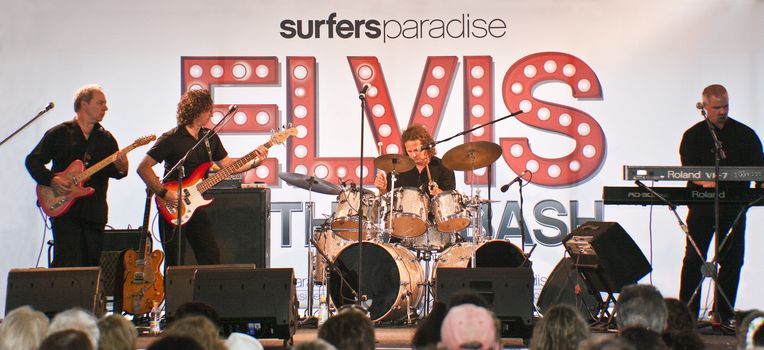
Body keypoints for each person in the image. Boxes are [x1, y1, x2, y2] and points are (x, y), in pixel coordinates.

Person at [137, 89, 268, 266]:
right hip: (172, 205)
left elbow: (227, 165)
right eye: (208, 110)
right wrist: (163, 193)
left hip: (196, 205)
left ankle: (207, 292)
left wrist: (254, 162)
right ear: (197, 110)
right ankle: (175, 294)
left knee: (210, 255)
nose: (211, 114)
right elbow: (143, 167)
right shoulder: (171, 138)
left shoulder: (209, 138)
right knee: (175, 261)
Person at [678, 84, 764, 325]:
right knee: (694, 260)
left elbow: (759, 169)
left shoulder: (745, 135)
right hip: (702, 208)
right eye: (717, 107)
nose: (722, 111)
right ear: (705, 107)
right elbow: (691, 172)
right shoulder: (693, 136)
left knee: (733, 260)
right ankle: (687, 316)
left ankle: (723, 315)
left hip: (734, 207)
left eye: (726, 105)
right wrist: (707, 181)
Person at [25, 84, 129, 267]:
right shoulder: (59, 133)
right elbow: (33, 161)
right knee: (66, 264)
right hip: (64, 213)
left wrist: (122, 166)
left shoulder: (106, 139)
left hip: (94, 213)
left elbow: (117, 173)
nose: (106, 107)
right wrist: (52, 180)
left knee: (90, 267)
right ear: (84, 104)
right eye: (100, 103)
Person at [374, 124, 455, 196]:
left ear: (427, 146)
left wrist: (439, 193)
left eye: (416, 150)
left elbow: (451, 202)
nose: (413, 155)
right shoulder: (398, 169)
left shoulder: (444, 167)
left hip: (433, 213)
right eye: (409, 151)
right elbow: (390, 202)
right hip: (404, 213)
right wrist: (383, 190)